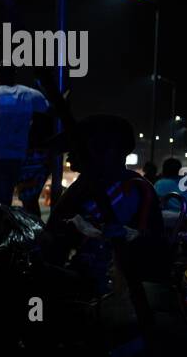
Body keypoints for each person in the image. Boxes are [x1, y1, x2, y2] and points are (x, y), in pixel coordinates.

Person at [41, 115, 165, 296]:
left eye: (77, 149)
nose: (70, 156)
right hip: (85, 274)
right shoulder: (87, 183)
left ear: (103, 150)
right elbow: (56, 232)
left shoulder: (132, 187)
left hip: (110, 290)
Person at [0, 65, 49, 208]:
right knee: (29, 202)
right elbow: (47, 112)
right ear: (14, 74)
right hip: (22, 156)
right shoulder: (30, 94)